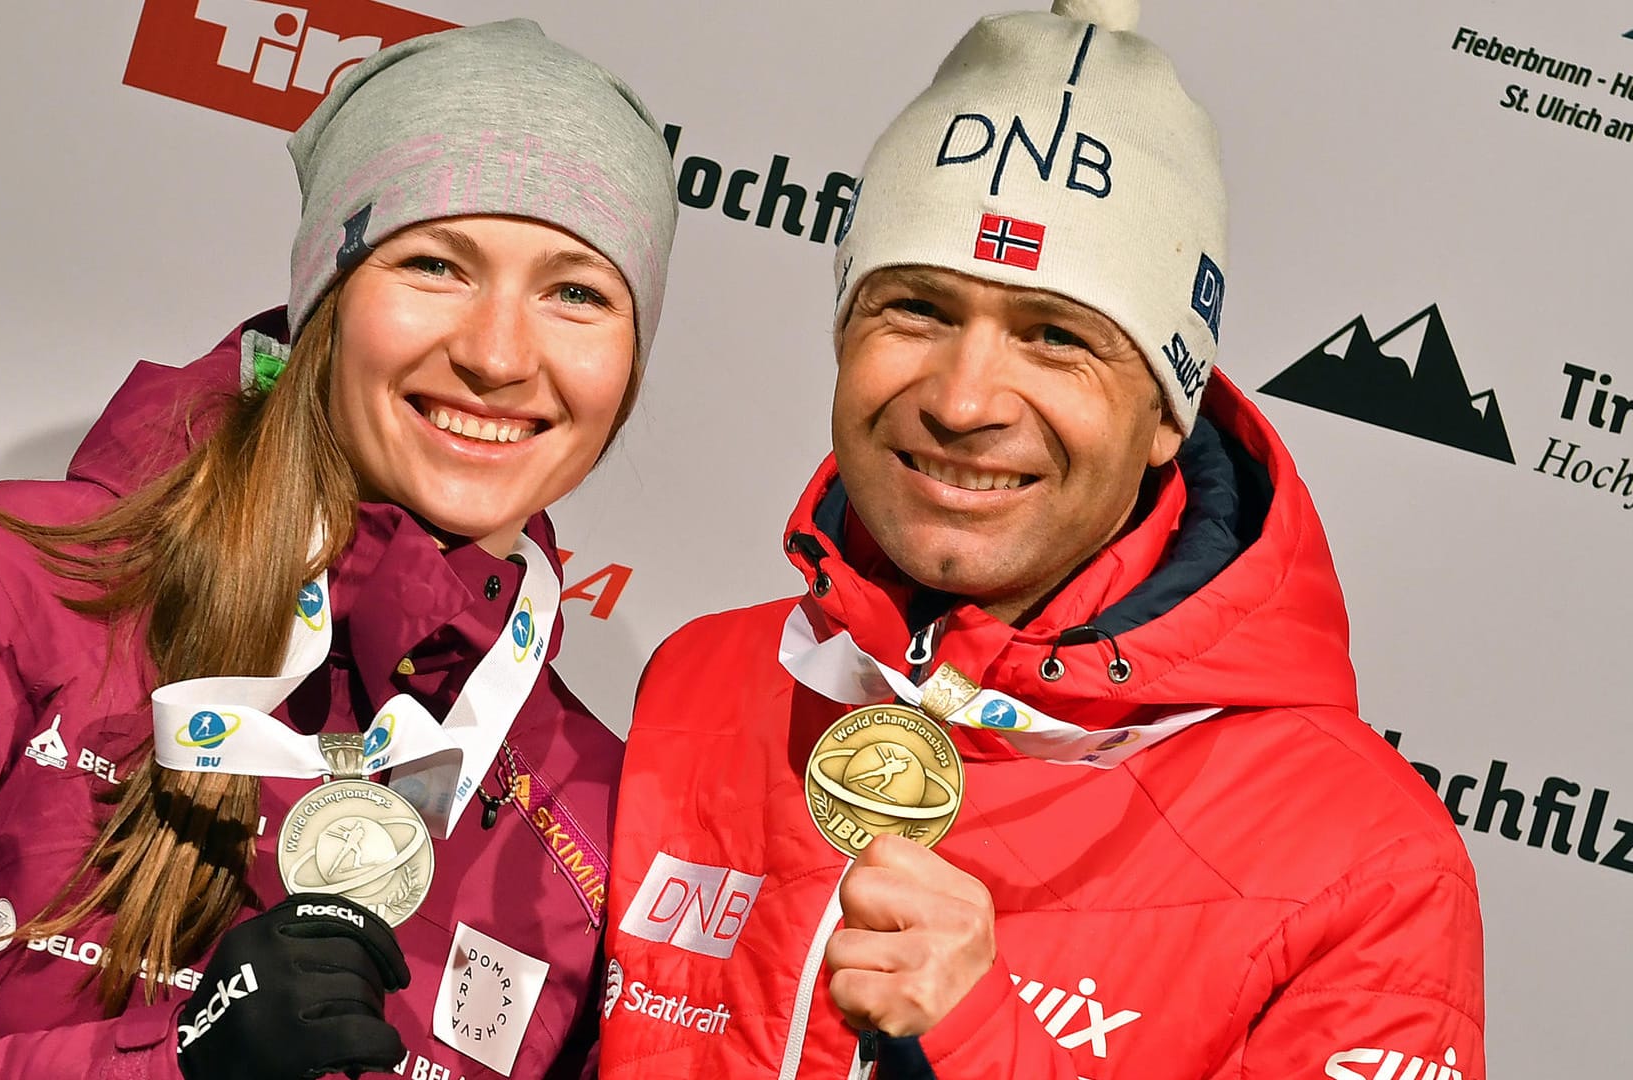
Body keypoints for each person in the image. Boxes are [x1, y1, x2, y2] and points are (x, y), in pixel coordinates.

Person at [0, 19, 676, 1080]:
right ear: (328, 300)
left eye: (577, 292)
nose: (498, 354)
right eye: (435, 263)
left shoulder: (600, 806)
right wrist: (173, 1067)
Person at [599, 2, 1484, 1078]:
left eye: (1056, 337)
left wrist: (982, 1043)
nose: (966, 400)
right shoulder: (702, 680)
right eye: (917, 310)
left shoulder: (1368, 860)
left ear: (1169, 413)